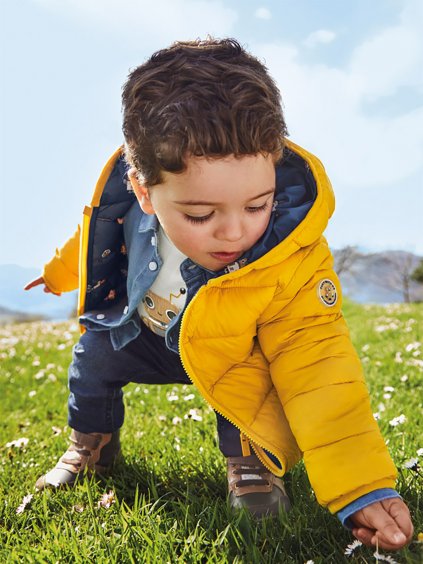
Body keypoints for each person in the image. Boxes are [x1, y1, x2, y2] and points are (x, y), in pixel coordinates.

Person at [25, 38, 413, 551]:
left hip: (231, 348)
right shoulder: (127, 203)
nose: (234, 233)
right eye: (201, 215)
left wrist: (362, 484)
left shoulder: (289, 254)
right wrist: (57, 275)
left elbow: (317, 363)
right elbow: (91, 236)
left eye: (258, 205)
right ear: (144, 191)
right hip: (145, 331)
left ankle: (249, 463)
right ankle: (89, 444)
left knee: (249, 385)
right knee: (92, 360)